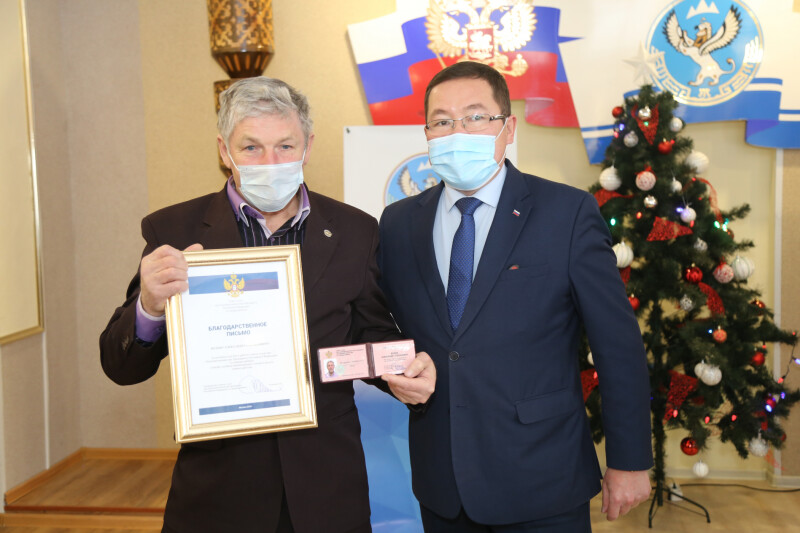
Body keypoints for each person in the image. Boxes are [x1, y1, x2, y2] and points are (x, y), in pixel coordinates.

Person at [99, 76, 435, 533]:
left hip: (326, 485)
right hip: (220, 492)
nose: (271, 162)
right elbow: (121, 367)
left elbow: (367, 332)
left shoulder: (355, 230)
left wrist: (404, 368)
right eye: (252, 147)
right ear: (224, 150)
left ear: (308, 147)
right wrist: (150, 306)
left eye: (285, 146)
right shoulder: (174, 230)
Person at [377, 61, 653, 532]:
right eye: (442, 121)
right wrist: (393, 376)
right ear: (426, 134)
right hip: (441, 479)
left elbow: (617, 344)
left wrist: (629, 461)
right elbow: (381, 322)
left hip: (542, 476)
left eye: (475, 117)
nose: (457, 132)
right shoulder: (399, 222)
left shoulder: (567, 212)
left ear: (508, 128)